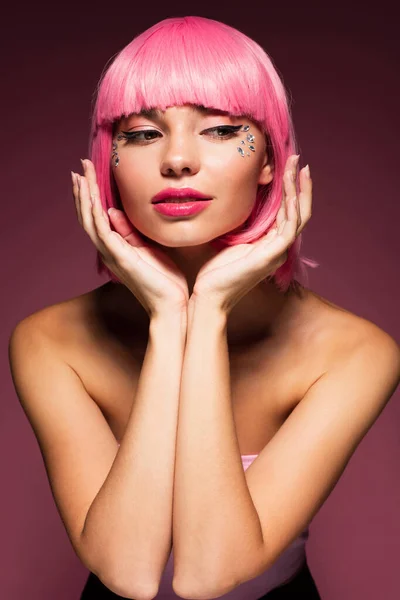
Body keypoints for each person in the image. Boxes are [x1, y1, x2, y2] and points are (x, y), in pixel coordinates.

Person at [8, 15, 399, 600]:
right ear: (106, 162)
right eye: (141, 134)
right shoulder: (49, 340)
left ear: (270, 159)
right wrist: (171, 317)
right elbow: (128, 575)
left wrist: (209, 307)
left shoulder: (353, 352)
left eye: (219, 130)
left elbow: (207, 576)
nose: (178, 160)